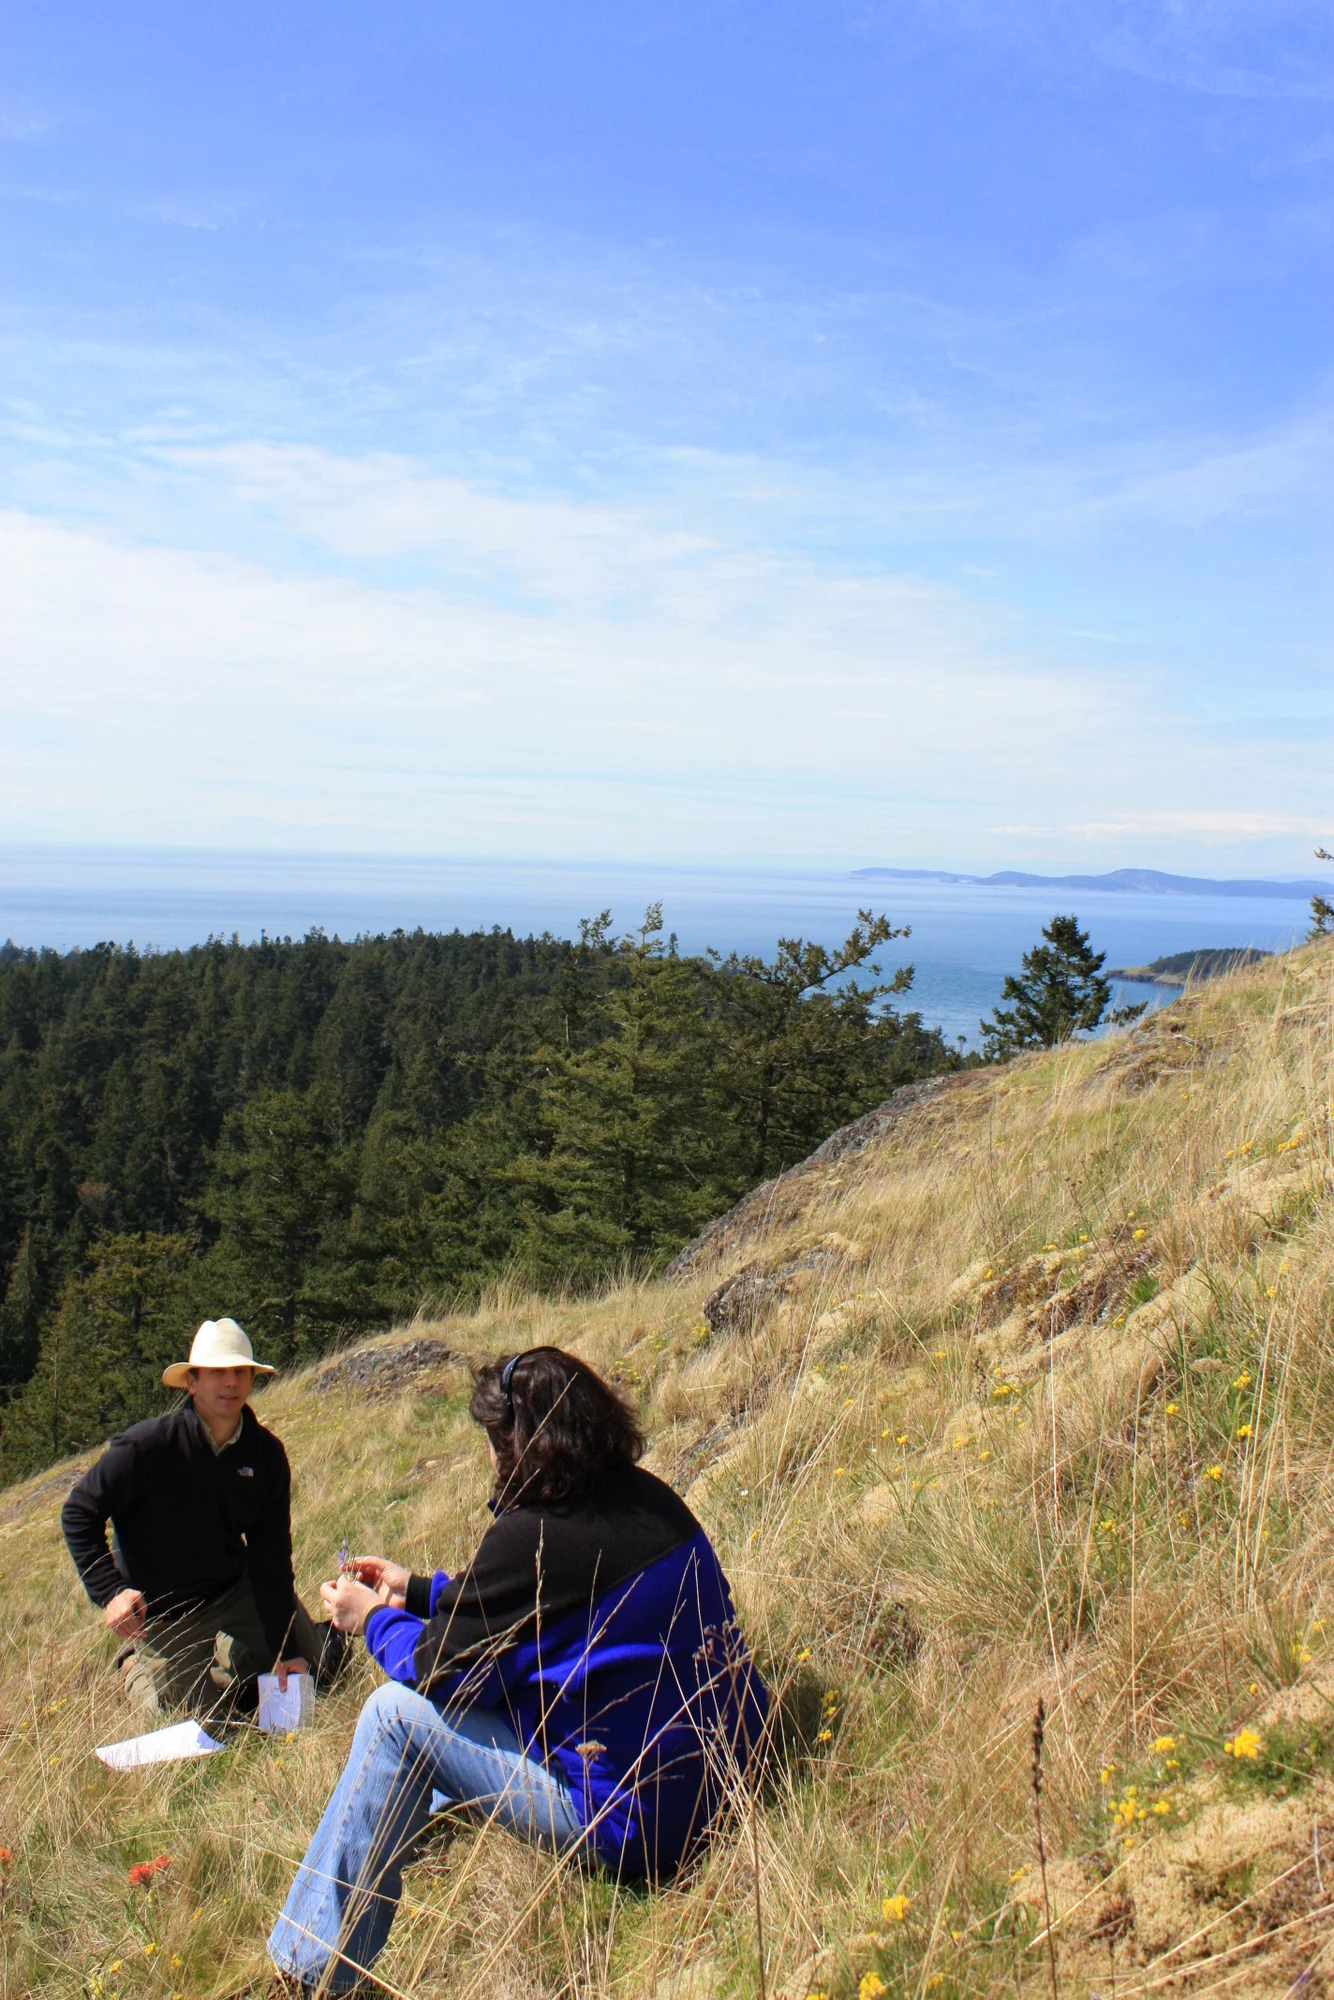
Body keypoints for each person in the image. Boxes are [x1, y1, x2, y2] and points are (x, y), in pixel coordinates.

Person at [268, 1345, 769, 1993]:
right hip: (734, 1775)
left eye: (492, 1441)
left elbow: (433, 1669)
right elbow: (524, 1614)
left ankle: (312, 1966)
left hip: (638, 1828)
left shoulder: (533, 1538)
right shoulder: (648, 1499)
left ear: (518, 1443)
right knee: (466, 1709)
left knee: (392, 1718)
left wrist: (370, 1618)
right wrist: (418, 1591)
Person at [62, 1316, 343, 1717]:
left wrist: (287, 1649)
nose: (230, 1382)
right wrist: (110, 1592)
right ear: (192, 1382)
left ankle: (250, 1655)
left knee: (311, 1675)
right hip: (165, 1613)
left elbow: (271, 1563)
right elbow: (78, 1513)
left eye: (240, 1372)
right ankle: (134, 1665)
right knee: (194, 1724)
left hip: (234, 1591)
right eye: (217, 1373)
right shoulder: (144, 1449)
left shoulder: (265, 1456)